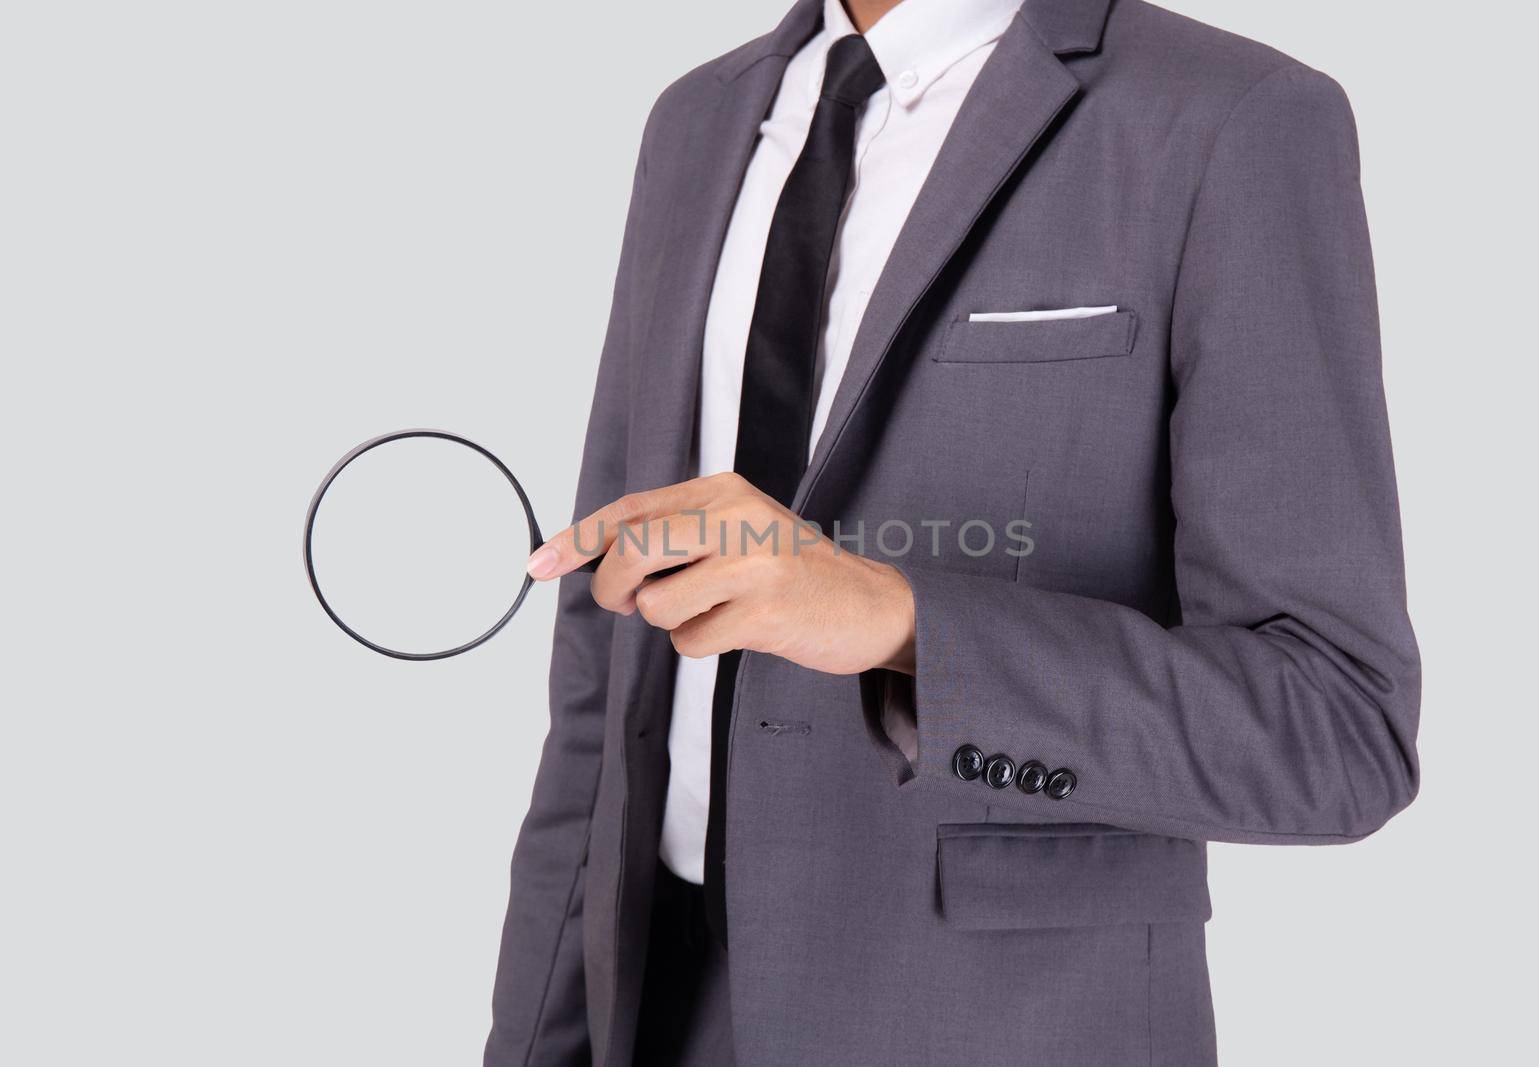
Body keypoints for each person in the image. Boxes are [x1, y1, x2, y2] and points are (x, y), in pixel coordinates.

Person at [484, 0, 1421, 1063]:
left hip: (993, 1023)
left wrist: (905, 624)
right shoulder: (696, 119)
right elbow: (600, 689)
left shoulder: (1229, 119)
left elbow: (1337, 730)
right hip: (657, 1006)